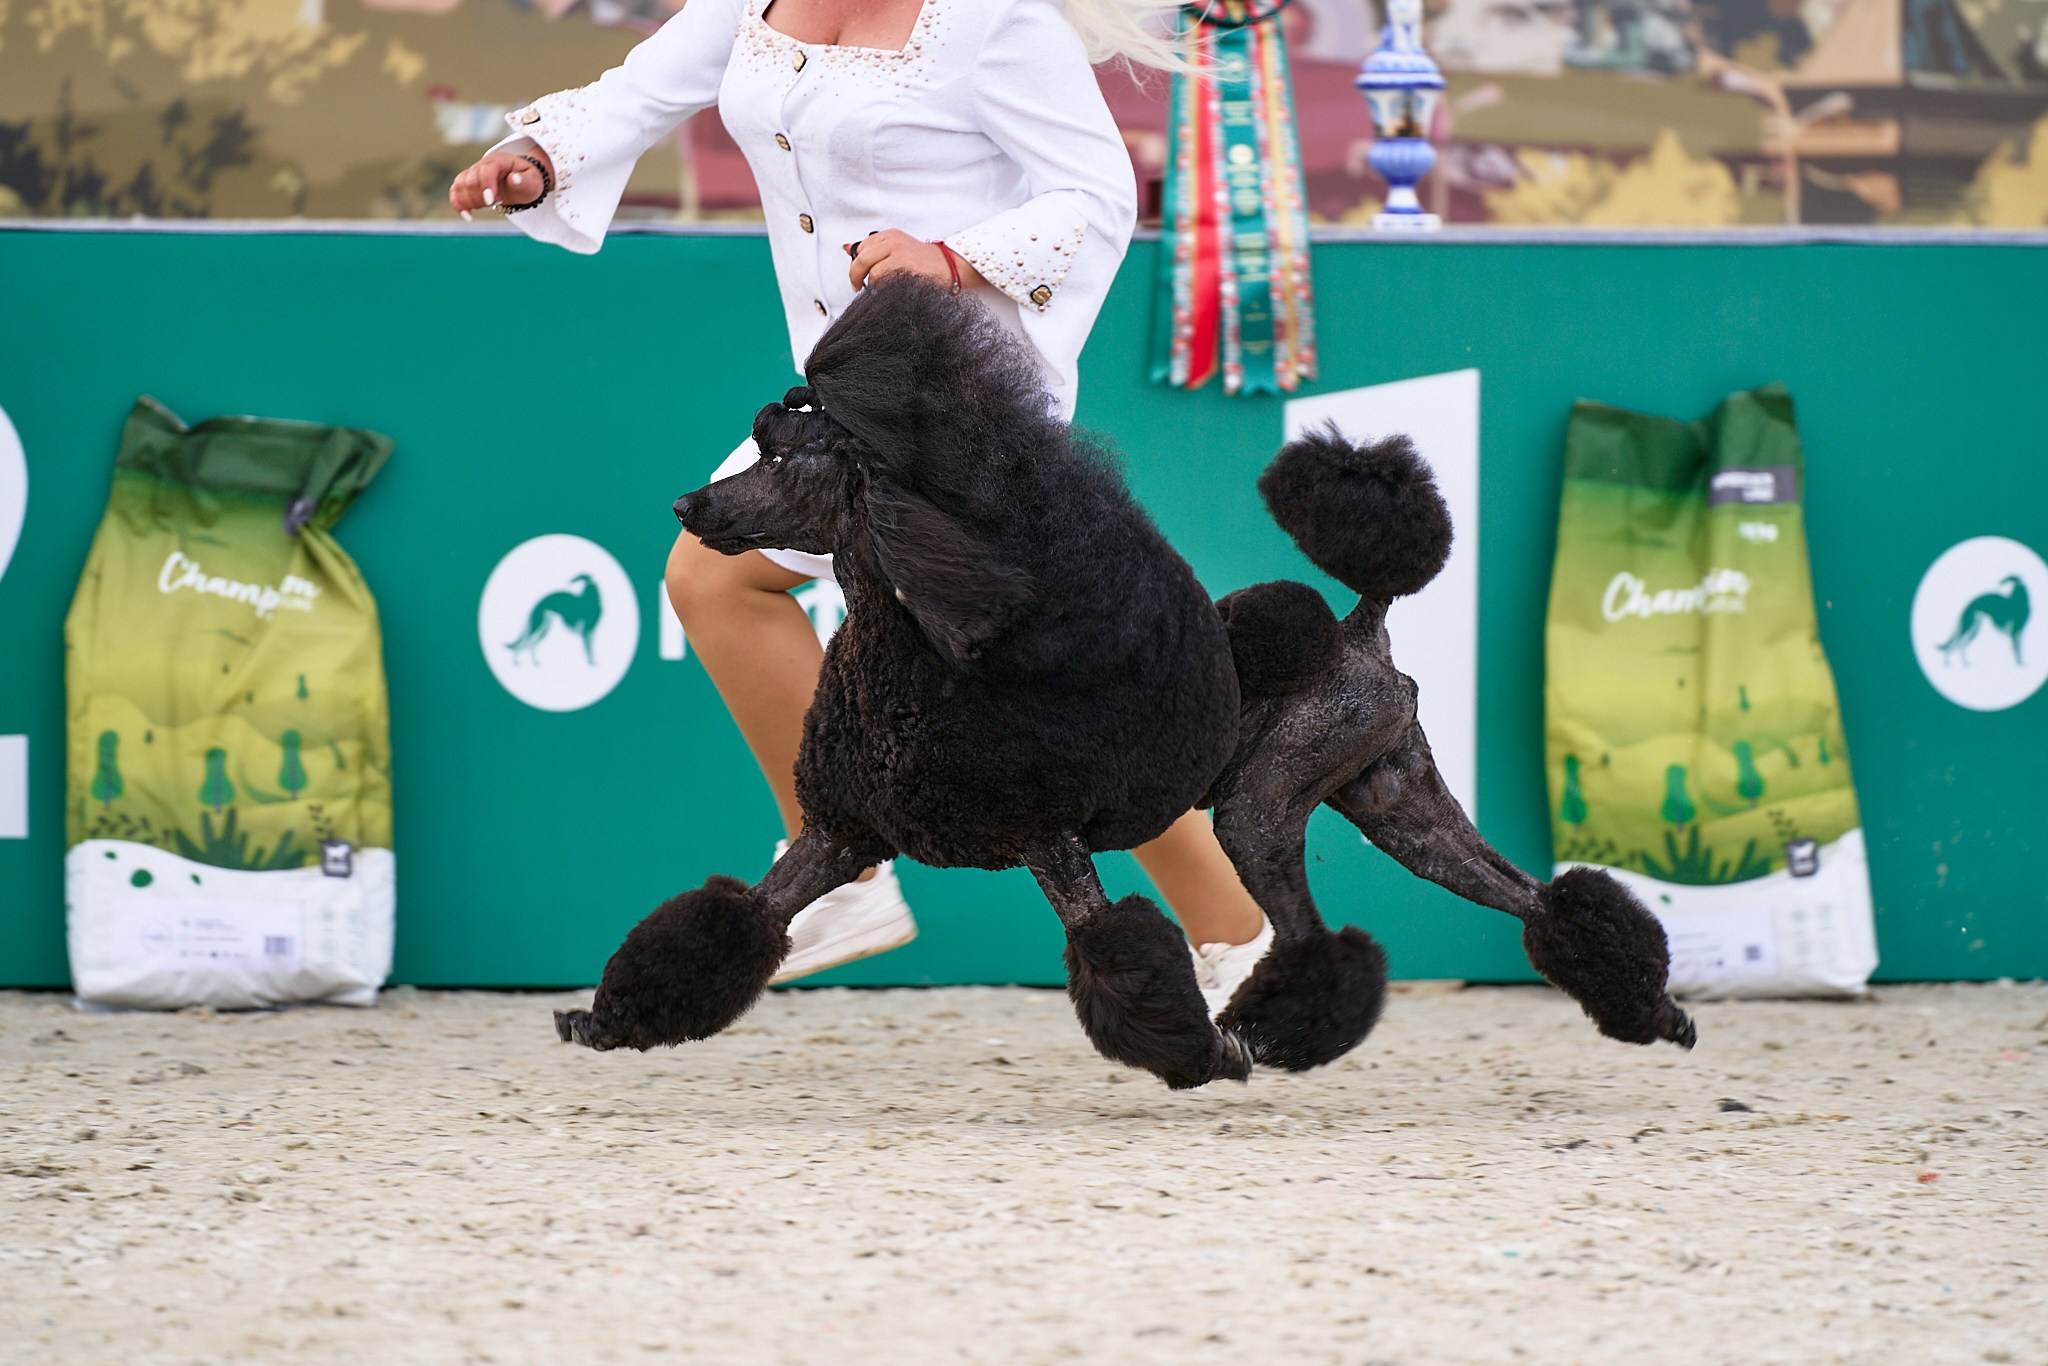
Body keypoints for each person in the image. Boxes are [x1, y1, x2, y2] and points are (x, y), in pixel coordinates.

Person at [448, 0, 1273, 1009]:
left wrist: (951, 257)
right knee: (723, 580)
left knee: (1032, 697)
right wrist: (537, 153)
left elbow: (1096, 196)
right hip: (849, 396)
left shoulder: (993, 22)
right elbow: (638, 92)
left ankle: (1229, 935)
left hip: (966, 406)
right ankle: (842, 861)